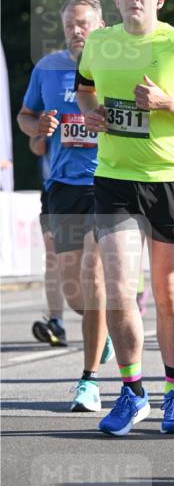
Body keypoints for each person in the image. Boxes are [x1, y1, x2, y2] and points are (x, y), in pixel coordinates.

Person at [76, 0, 174, 434]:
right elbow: (84, 87)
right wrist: (93, 113)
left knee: (166, 292)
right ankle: (133, 390)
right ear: (116, 1)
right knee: (119, 292)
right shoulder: (100, 43)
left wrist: (168, 104)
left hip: (170, 179)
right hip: (114, 178)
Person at [18, 0, 114, 411]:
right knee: (74, 288)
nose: (77, 31)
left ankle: (88, 381)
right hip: (62, 187)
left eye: (84, 24)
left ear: (99, 27)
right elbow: (25, 117)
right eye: (70, 26)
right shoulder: (47, 68)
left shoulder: (115, 66)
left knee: (93, 277)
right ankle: (102, 330)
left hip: (106, 182)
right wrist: (36, 126)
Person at [29, 134, 68, 347]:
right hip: (54, 188)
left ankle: (103, 323)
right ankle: (57, 323)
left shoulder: (100, 99)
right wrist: (40, 136)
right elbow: (35, 145)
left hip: (95, 185)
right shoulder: (47, 100)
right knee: (54, 257)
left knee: (92, 262)